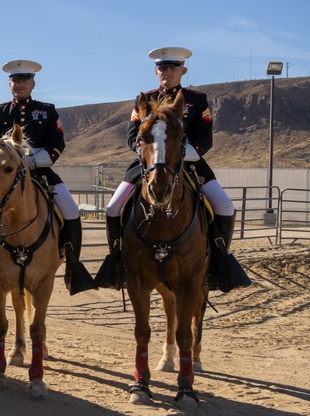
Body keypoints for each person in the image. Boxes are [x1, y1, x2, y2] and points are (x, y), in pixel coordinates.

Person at [95, 46, 250, 292]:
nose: (167, 72)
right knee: (113, 207)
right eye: (162, 68)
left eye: (172, 68)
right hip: (150, 162)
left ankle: (219, 263)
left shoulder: (197, 99)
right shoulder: (144, 99)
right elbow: (132, 135)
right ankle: (117, 262)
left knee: (224, 206)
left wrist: (186, 151)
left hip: (189, 161)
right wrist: (146, 149)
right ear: (156, 71)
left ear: (183, 70)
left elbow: (205, 137)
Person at [0, 60, 96, 294]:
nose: (19, 84)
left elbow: (57, 145)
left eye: (24, 80)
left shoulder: (47, 110)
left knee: (71, 211)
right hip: (3, 174)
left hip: (40, 171)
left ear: (33, 83)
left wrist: (33, 161)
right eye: (15, 80)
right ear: (9, 84)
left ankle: (73, 268)